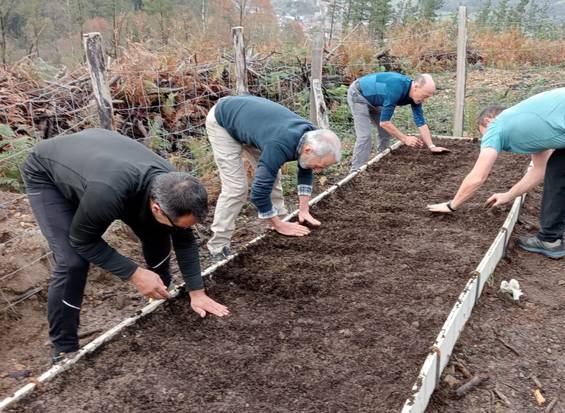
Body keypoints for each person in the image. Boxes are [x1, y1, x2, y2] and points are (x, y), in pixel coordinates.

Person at [21, 128, 230, 363]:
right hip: (49, 172)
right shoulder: (107, 195)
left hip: (101, 162)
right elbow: (83, 241)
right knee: (72, 262)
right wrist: (134, 273)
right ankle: (64, 348)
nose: (184, 229)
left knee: (159, 231)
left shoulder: (175, 186)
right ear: (157, 208)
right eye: (180, 224)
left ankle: (158, 295)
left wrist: (197, 292)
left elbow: (184, 239)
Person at [427, 86, 565, 311]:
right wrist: (508, 195)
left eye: (483, 134)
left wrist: (452, 205)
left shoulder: (496, 126)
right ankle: (549, 240)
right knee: (558, 170)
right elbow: (540, 169)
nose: (486, 140)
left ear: (488, 120)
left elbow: (478, 176)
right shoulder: (534, 127)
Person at [206, 95, 342, 260]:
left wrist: (304, 209)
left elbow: (306, 167)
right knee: (236, 188)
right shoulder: (280, 145)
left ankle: (279, 216)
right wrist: (278, 225)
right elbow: (258, 193)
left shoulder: (312, 136)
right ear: (308, 150)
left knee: (271, 171)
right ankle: (218, 246)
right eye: (321, 165)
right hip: (223, 121)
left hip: (254, 124)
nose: (319, 170)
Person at [347, 72, 448, 171]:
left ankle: (381, 159)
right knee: (365, 136)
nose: (426, 101)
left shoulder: (415, 96)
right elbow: (385, 122)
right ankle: (356, 171)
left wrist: (431, 146)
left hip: (376, 99)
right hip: (359, 95)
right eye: (425, 96)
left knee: (386, 132)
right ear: (416, 87)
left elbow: (420, 121)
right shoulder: (396, 88)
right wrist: (405, 139)